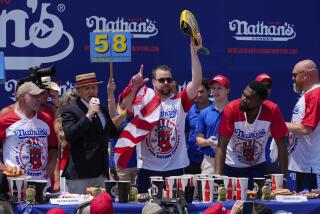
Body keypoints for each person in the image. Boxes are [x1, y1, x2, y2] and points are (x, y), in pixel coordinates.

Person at [119, 34, 203, 193]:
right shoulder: (143, 100)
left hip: (176, 169)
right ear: (153, 82)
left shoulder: (180, 101)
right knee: (148, 209)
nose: (166, 83)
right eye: (162, 80)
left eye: (169, 80)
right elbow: (125, 107)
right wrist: (134, 88)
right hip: (148, 169)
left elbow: (197, 81)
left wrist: (193, 51)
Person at [215, 81, 288, 189]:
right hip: (231, 167)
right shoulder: (231, 109)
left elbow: (281, 145)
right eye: (243, 94)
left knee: (258, 203)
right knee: (230, 204)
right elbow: (221, 145)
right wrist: (218, 177)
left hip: (257, 168)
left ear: (260, 101)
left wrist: (284, 178)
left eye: (248, 97)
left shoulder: (272, 110)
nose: (243, 98)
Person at [61, 72, 119, 194]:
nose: (91, 91)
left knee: (102, 209)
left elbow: (113, 132)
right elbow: (71, 135)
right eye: (87, 88)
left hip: (101, 173)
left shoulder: (102, 109)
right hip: (81, 174)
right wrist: (89, 114)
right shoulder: (70, 110)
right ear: (79, 91)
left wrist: (135, 126)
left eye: (94, 87)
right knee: (81, 210)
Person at [0, 82, 58, 188]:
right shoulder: (5, 120)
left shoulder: (46, 119)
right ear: (22, 97)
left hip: (43, 183)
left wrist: (52, 162)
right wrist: (5, 169)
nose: (38, 99)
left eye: (39, 96)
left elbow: (53, 146)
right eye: (34, 96)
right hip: (16, 185)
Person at [286, 59, 320, 191]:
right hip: (303, 165)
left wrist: (279, 124)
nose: (292, 78)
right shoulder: (308, 95)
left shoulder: (316, 94)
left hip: (312, 166)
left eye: (295, 75)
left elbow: (306, 128)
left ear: (305, 74)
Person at [196, 75, 230, 175]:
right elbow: (198, 139)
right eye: (213, 88)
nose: (216, 91)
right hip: (209, 161)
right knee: (207, 190)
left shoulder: (235, 111)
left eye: (219, 88)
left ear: (227, 90)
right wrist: (208, 141)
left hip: (230, 161)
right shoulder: (204, 113)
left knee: (230, 190)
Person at [184, 79, 211, 174]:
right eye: (197, 92)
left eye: (202, 91)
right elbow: (185, 132)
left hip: (209, 159)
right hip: (191, 159)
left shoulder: (216, 110)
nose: (199, 95)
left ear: (209, 91)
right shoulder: (189, 110)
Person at [52, 91, 77, 192]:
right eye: (70, 105)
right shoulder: (57, 125)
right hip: (66, 171)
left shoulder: (87, 119)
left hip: (86, 171)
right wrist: (57, 180)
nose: (73, 108)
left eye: (76, 104)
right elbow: (55, 156)